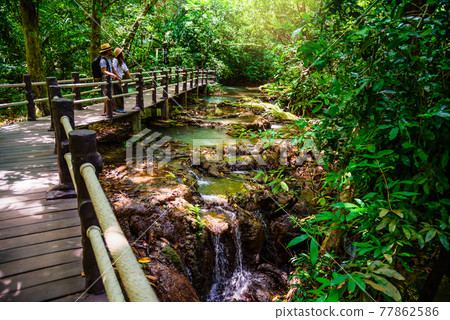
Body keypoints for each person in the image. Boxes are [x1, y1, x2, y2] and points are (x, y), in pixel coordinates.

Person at [99, 43, 120, 116]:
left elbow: (113, 68)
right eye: (110, 50)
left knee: (110, 95)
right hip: (105, 80)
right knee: (106, 96)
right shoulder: (103, 60)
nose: (111, 51)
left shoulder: (109, 60)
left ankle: (108, 110)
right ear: (107, 51)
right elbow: (104, 70)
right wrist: (112, 75)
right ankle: (105, 111)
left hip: (109, 80)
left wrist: (117, 76)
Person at [112, 48, 135, 113]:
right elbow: (114, 69)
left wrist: (131, 77)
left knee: (118, 93)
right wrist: (117, 77)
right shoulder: (115, 60)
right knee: (118, 93)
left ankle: (117, 107)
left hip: (119, 79)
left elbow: (126, 69)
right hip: (116, 79)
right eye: (122, 52)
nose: (123, 53)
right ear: (120, 54)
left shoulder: (121, 61)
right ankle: (117, 107)